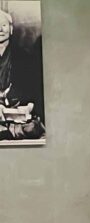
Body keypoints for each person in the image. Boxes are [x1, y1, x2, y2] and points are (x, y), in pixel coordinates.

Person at [0, 8, 45, 142]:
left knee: (31, 127)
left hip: (18, 112)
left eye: (3, 25)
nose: (0, 30)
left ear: (11, 29)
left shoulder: (23, 57)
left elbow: (33, 90)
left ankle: (9, 132)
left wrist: (28, 105)